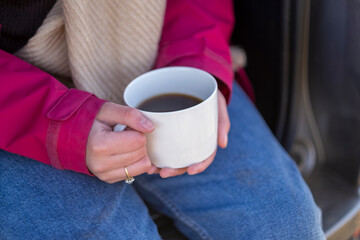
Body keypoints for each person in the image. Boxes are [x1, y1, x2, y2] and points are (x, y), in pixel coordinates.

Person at [0, 0, 325, 239]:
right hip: (16, 103)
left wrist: (197, 65)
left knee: (285, 224)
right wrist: (60, 125)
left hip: (152, 49)